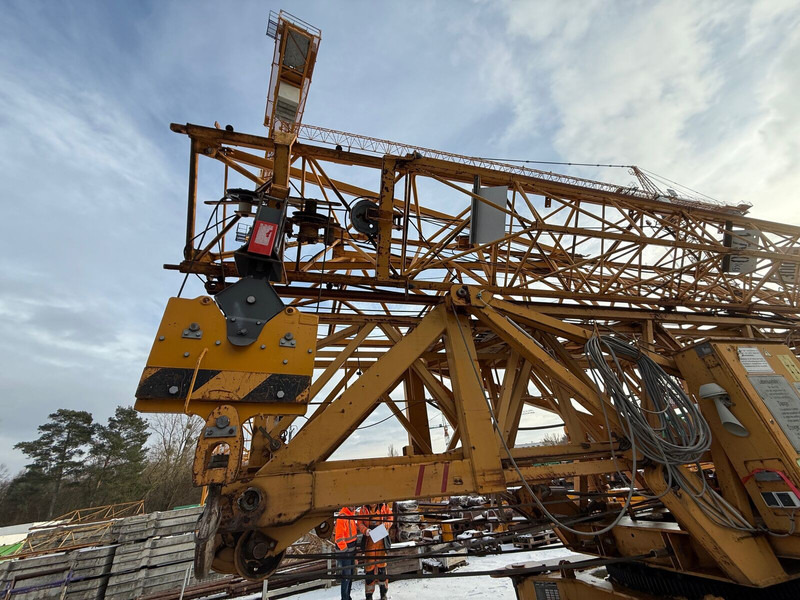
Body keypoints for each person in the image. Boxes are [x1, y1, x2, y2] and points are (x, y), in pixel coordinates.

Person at [356, 503, 393, 600]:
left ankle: (383, 594)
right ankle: (369, 596)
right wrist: (365, 531)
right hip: (369, 544)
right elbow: (359, 523)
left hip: (381, 542)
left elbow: (391, 518)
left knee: (382, 571)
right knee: (369, 571)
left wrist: (385, 525)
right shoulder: (363, 509)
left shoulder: (384, 507)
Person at [334, 506, 358, 600]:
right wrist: (346, 551)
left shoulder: (351, 515)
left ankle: (348, 596)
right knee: (346, 576)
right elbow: (339, 538)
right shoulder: (342, 517)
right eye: (352, 505)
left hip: (351, 551)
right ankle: (345, 598)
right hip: (345, 552)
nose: (353, 507)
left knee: (350, 575)